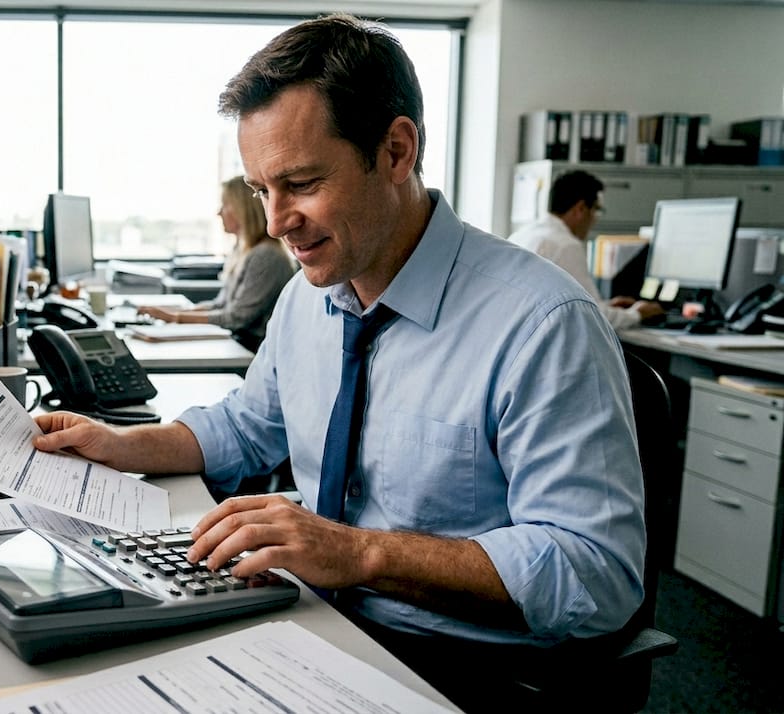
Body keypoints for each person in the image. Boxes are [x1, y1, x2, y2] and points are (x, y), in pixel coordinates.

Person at [32, 14, 645, 711]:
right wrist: (124, 443)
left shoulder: (541, 323)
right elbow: (248, 426)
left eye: (300, 182)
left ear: (396, 151)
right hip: (306, 620)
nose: (275, 222)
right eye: (262, 190)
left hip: (456, 665)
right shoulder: (307, 297)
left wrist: (359, 554)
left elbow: (598, 574)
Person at [138, 176, 296, 351]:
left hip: (249, 348)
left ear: (244, 209)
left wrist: (175, 318)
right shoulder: (242, 249)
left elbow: (237, 318)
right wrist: (172, 312)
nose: (219, 213)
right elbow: (220, 305)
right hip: (236, 341)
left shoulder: (266, 255)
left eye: (225, 205)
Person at [509, 170, 664, 329]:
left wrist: (606, 306)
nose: (595, 219)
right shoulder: (564, 245)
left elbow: (574, 305)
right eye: (596, 210)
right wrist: (637, 313)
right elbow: (592, 316)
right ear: (581, 209)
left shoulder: (524, 234)